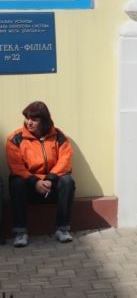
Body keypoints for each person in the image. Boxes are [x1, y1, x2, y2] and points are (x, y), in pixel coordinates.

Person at [6, 101, 76, 247]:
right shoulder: (15, 138)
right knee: (16, 182)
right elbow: (16, 166)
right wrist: (34, 181)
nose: (29, 122)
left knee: (67, 181)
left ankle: (62, 229)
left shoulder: (59, 136)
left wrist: (51, 178)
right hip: (29, 186)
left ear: (44, 120)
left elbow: (65, 160)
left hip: (52, 186)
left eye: (34, 119)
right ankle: (20, 232)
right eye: (27, 118)